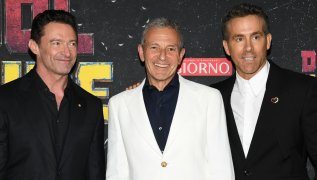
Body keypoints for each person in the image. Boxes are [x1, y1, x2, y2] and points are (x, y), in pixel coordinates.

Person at [106, 17, 234, 180]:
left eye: (171, 49)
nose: (162, 57)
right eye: (154, 47)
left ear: (181, 55)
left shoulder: (209, 99)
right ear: (141, 52)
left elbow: (221, 170)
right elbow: (117, 173)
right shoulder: (119, 105)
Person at [211, 3, 317, 180]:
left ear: (268, 41)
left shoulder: (303, 90)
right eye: (239, 39)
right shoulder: (213, 96)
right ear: (226, 47)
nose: (248, 48)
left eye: (255, 37)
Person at [0, 10, 105, 180]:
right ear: (35, 47)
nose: (67, 52)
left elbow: (95, 171)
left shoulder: (91, 106)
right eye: (56, 43)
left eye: (72, 43)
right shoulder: (6, 100)